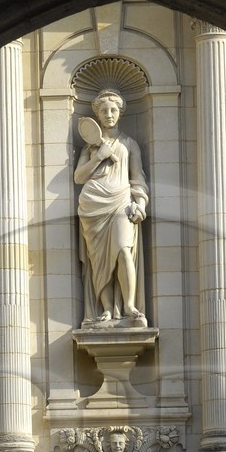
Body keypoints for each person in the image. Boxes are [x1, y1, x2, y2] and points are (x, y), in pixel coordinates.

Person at [75, 90, 148, 326]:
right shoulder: (90, 148)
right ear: (97, 114)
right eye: (104, 110)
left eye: (113, 110)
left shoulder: (129, 144)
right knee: (98, 261)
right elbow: (79, 177)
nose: (109, 114)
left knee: (123, 249)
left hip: (121, 202)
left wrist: (141, 204)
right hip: (93, 204)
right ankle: (106, 308)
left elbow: (137, 179)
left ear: (120, 112)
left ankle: (128, 305)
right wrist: (99, 156)